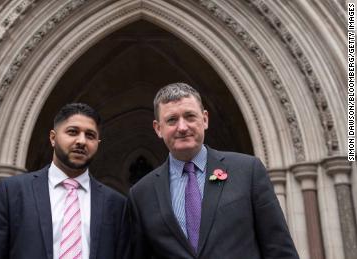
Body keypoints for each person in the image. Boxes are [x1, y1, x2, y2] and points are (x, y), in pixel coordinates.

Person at [128, 83, 299, 259]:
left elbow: (279, 249)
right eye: (172, 120)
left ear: (205, 119)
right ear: (158, 128)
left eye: (190, 116)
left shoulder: (248, 171)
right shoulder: (141, 194)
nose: (182, 127)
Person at [0, 103, 128, 259]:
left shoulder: (116, 204)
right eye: (72, 132)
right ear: (53, 138)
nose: (81, 141)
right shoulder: (12, 192)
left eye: (90, 135)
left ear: (97, 143)